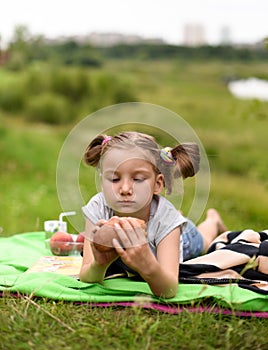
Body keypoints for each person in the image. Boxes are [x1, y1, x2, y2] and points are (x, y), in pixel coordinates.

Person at [79, 131, 226, 298]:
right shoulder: (98, 208)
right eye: (114, 179)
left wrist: (147, 266)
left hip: (185, 240)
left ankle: (213, 220)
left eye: (138, 179)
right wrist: (99, 265)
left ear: (157, 184)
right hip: (162, 223)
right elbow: (86, 275)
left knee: (204, 242)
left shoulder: (167, 220)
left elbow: (169, 289)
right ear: (102, 182)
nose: (125, 189)